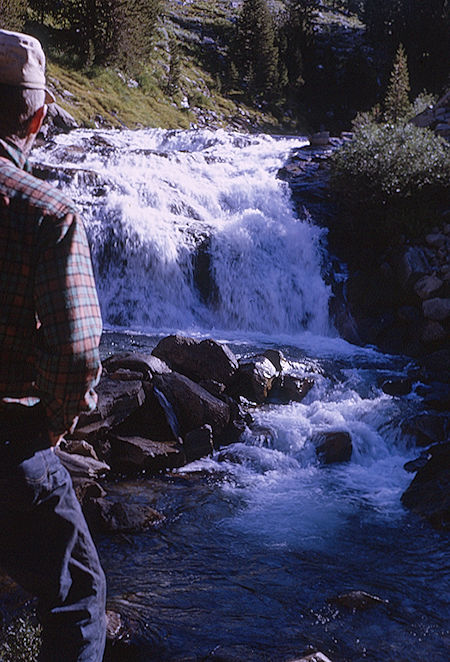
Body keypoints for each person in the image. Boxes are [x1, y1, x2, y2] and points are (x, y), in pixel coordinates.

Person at [0, 29, 106, 661]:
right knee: (78, 598)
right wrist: (55, 423)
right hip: (11, 438)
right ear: (37, 116)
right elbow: (76, 352)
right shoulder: (46, 211)